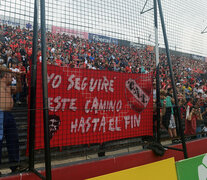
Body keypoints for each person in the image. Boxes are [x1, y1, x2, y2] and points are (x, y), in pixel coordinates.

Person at [0, 65, 21, 173]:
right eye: (10, 76)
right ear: (4, 76)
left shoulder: (9, 87)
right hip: (0, 113)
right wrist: (11, 70)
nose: (12, 78)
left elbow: (19, 89)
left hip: (9, 114)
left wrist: (18, 79)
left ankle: (15, 165)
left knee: (13, 140)